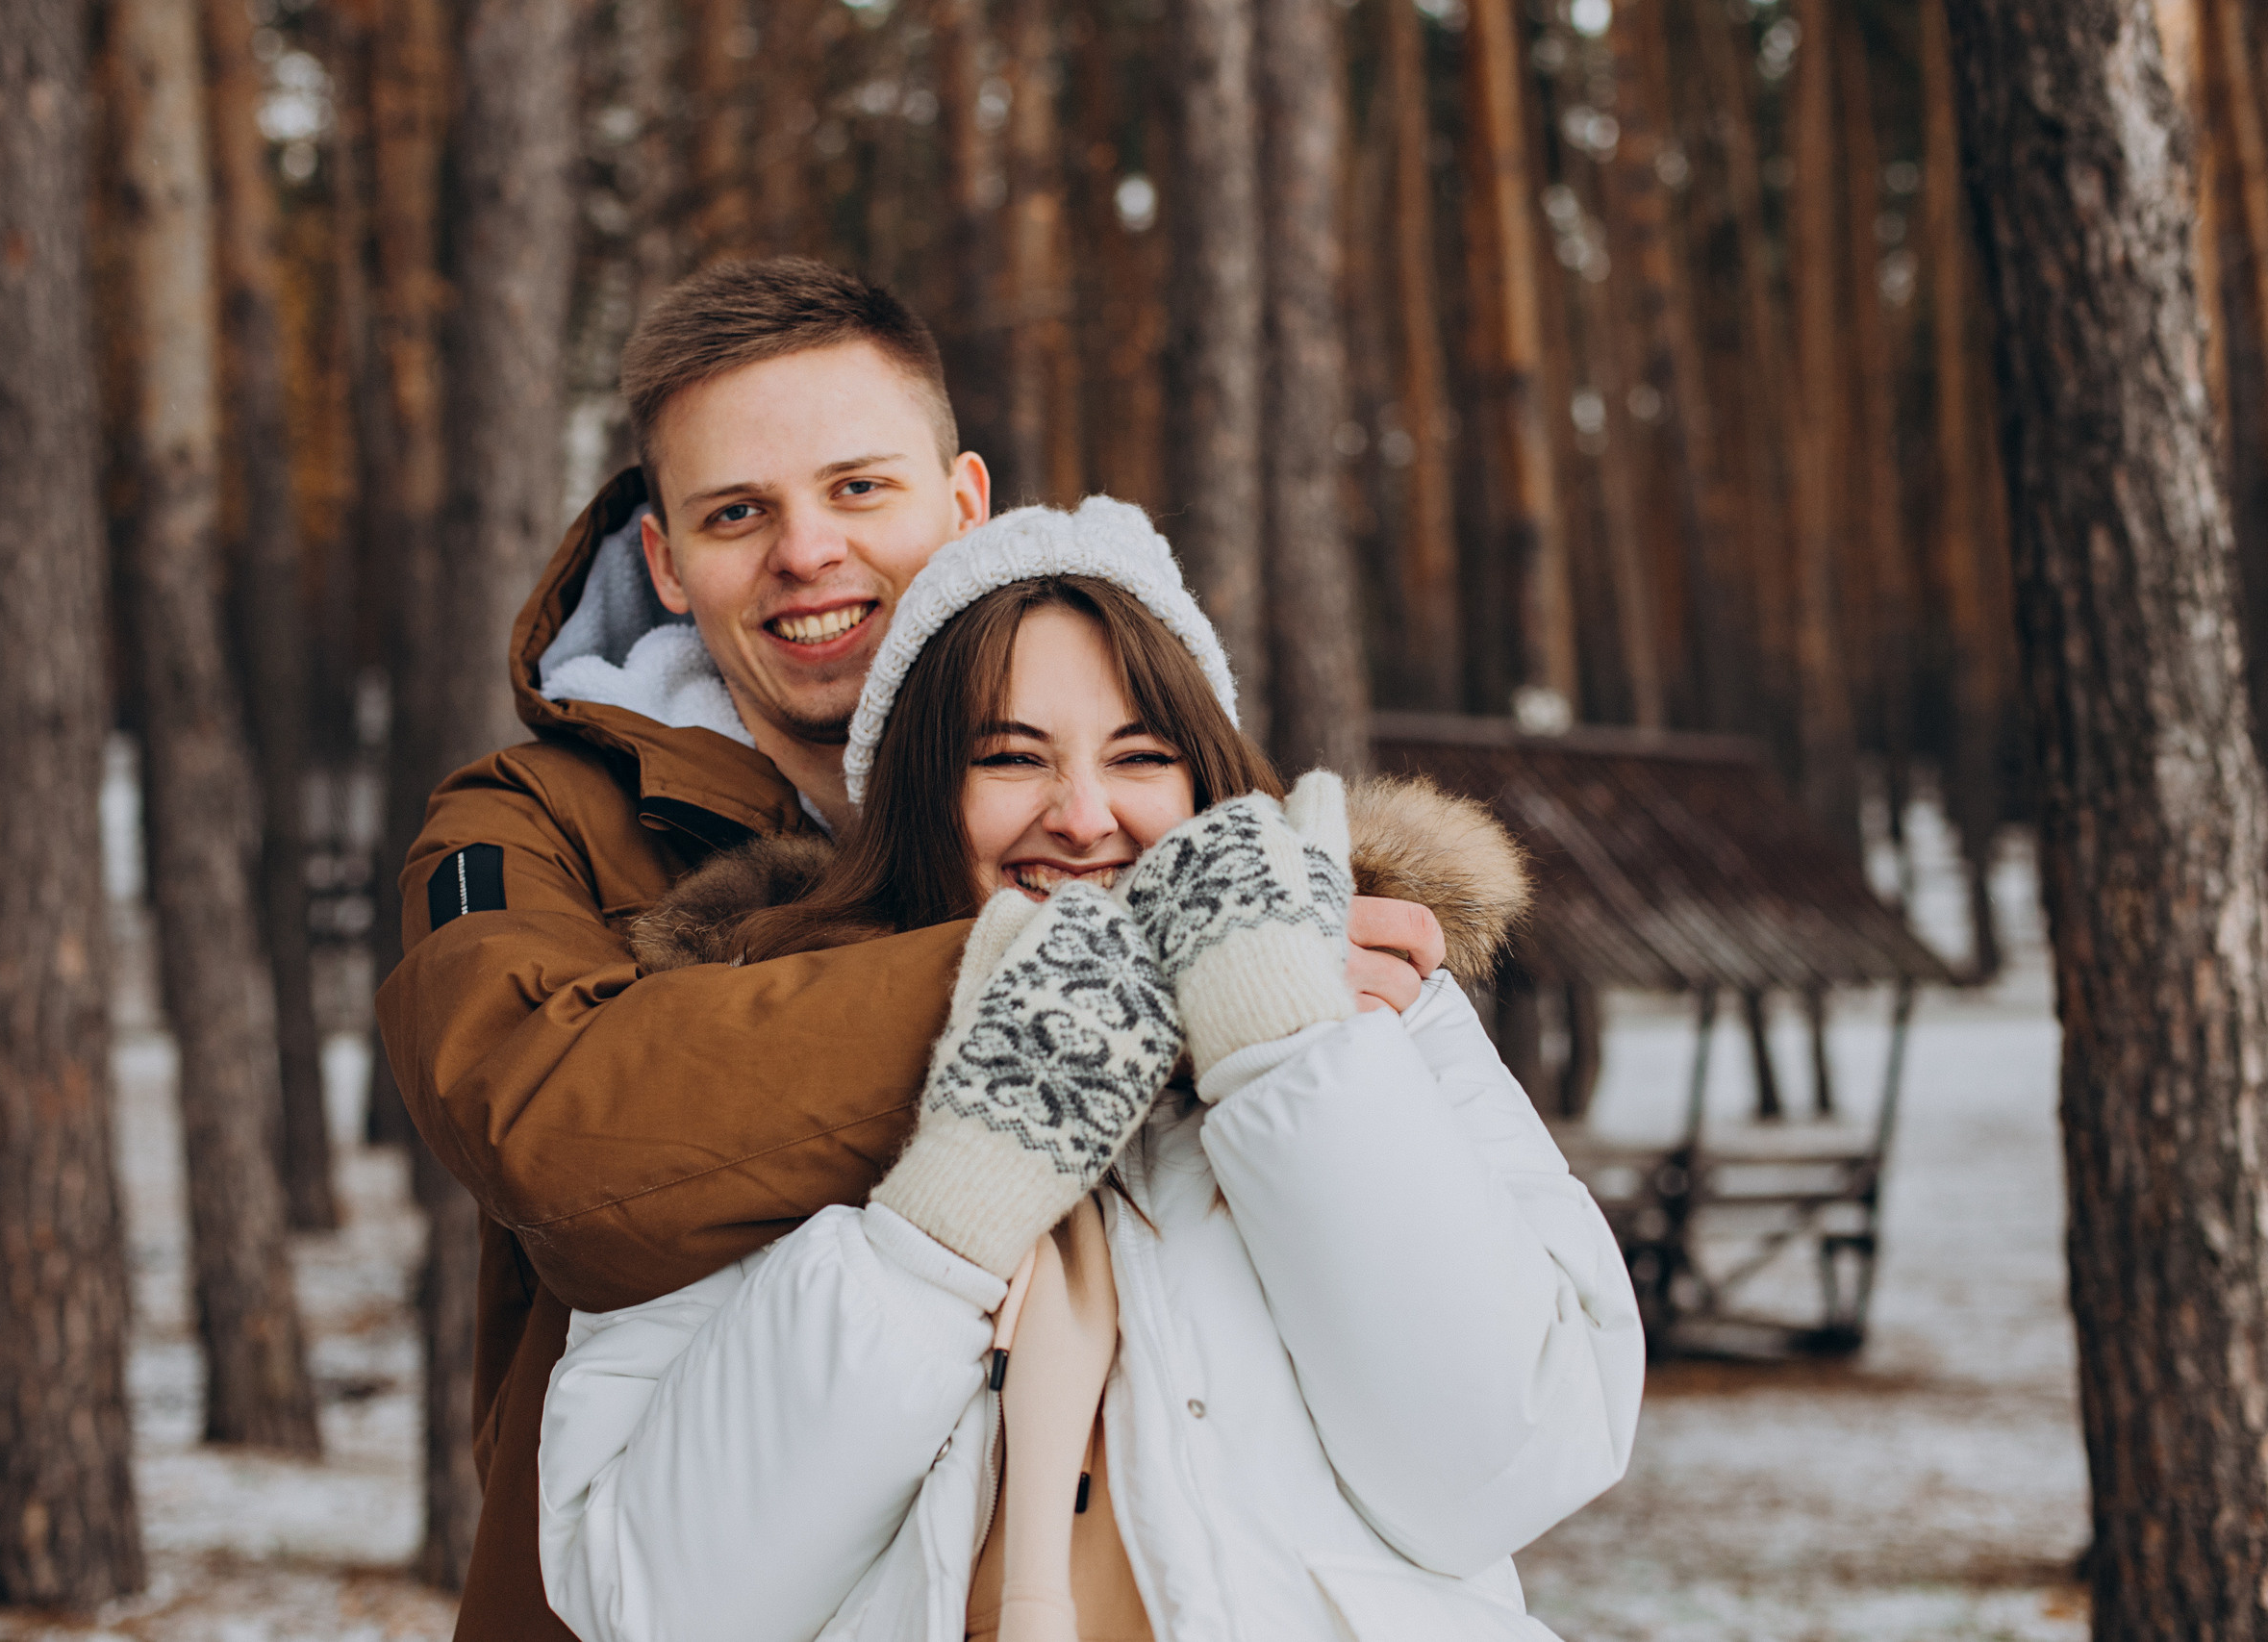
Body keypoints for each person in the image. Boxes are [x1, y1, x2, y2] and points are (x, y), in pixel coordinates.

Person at [377, 259, 1450, 1642]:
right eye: (736, 512)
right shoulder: (532, 822)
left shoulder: (1131, 795)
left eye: (858, 487)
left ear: (963, 502)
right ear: (663, 559)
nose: (807, 550)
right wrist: (1088, 971)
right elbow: (541, 1121)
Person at [537, 500, 1645, 1642]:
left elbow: (1515, 1463)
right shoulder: (753, 1053)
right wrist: (950, 1209)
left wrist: (1285, 1050)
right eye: (1010, 758)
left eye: (1141, 756)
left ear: (1205, 781)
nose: (1083, 817)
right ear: (921, 795)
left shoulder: (1380, 1008)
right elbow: (657, 1603)